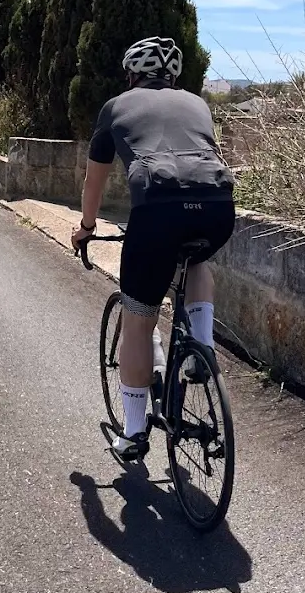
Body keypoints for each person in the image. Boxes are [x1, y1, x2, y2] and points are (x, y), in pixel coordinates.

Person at [71, 37, 235, 459]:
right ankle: (201, 348)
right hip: (218, 208)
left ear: (132, 75)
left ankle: (132, 432)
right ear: (174, 76)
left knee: (139, 321)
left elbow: (95, 181)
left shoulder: (116, 106)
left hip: (158, 209)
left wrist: (87, 228)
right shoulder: (198, 104)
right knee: (197, 258)